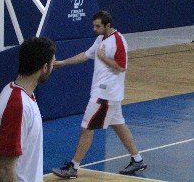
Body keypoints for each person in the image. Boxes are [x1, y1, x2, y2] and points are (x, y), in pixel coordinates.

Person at [51, 10, 147, 178]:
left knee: (87, 128)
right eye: (93, 26)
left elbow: (121, 66)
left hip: (105, 94)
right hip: (108, 95)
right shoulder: (100, 38)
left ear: (107, 25)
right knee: (119, 126)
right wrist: (62, 63)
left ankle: (73, 167)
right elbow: (85, 55)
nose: (94, 29)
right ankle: (137, 160)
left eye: (98, 26)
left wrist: (103, 57)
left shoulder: (118, 40)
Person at [0, 36, 56, 182]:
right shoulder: (17, 105)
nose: (53, 67)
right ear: (44, 68)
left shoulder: (21, 95)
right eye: (52, 64)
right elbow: (6, 168)